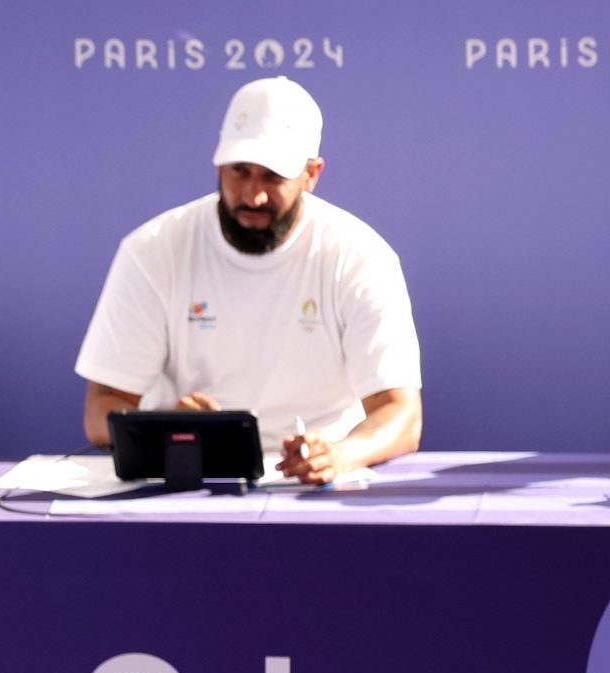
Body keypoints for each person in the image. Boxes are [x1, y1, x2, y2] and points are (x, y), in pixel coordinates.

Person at [75, 77, 423, 485]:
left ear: (312, 174)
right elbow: (101, 409)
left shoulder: (360, 255)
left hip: (316, 483)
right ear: (219, 166)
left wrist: (340, 455)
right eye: (240, 172)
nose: (252, 196)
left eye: (273, 177)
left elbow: (401, 414)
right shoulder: (153, 249)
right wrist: (167, 427)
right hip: (188, 476)